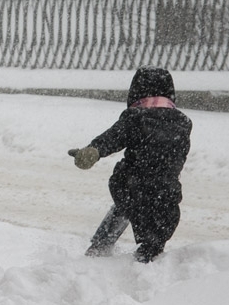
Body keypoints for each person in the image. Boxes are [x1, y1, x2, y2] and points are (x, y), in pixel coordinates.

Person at [68, 66, 192, 263]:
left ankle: (100, 248)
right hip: (167, 194)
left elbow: (114, 137)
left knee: (125, 203)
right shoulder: (183, 123)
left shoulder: (135, 118)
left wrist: (94, 150)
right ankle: (143, 270)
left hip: (132, 187)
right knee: (153, 243)